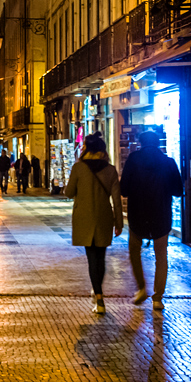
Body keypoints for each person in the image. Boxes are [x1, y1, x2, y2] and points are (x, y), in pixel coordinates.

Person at [120, 131, 184, 311]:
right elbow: (178, 190)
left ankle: (141, 288)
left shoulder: (133, 160)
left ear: (140, 143)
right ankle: (158, 297)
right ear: (158, 143)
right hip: (161, 213)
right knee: (161, 255)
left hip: (137, 213)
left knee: (134, 250)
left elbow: (123, 189)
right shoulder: (168, 162)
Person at [64, 133, 123, 314]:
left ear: (86, 150)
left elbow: (68, 192)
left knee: (92, 258)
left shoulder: (78, 168)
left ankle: (99, 297)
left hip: (84, 218)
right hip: (104, 217)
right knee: (101, 257)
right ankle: (98, 292)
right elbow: (116, 200)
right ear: (102, 151)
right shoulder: (111, 170)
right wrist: (119, 222)